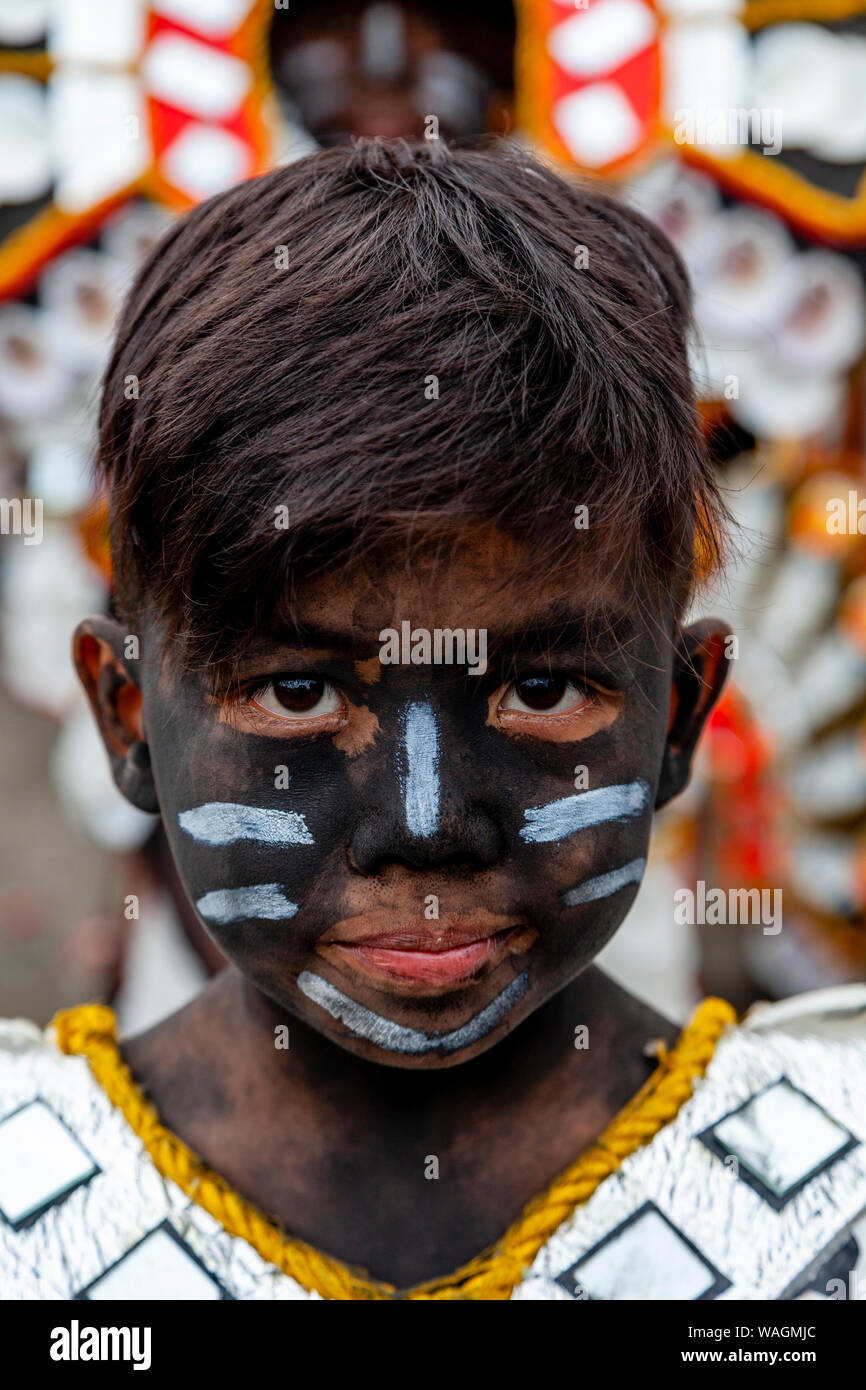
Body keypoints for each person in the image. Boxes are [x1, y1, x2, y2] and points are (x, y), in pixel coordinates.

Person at [1, 139, 863, 1302]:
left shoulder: (828, 1202)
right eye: (297, 692)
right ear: (125, 716)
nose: (426, 825)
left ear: (680, 716)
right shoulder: (27, 1212)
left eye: (544, 690)